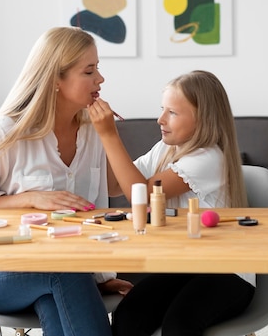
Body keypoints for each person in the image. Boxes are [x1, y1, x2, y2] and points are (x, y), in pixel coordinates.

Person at [0, 26, 132, 336]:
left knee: (59, 290)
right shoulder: (7, 128)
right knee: (64, 273)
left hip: (63, 271)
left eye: (97, 68)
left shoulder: (93, 131)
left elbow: (114, 191)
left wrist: (98, 278)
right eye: (89, 71)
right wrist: (29, 198)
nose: (100, 79)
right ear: (56, 79)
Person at [87, 70, 255, 336]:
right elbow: (115, 185)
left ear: (203, 119)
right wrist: (96, 137)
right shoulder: (165, 149)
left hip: (227, 272)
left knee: (179, 326)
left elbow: (138, 195)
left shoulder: (209, 158)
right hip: (184, 268)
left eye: (172, 113)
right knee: (128, 315)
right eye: (162, 109)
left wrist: (110, 135)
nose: (160, 119)